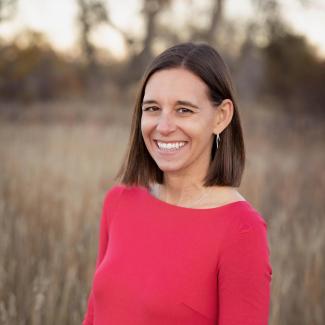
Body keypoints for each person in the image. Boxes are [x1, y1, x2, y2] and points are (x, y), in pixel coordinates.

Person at [82, 42, 272, 325]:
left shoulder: (241, 230)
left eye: (184, 110)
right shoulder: (120, 201)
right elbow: (94, 316)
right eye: (153, 108)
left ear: (221, 117)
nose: (164, 126)